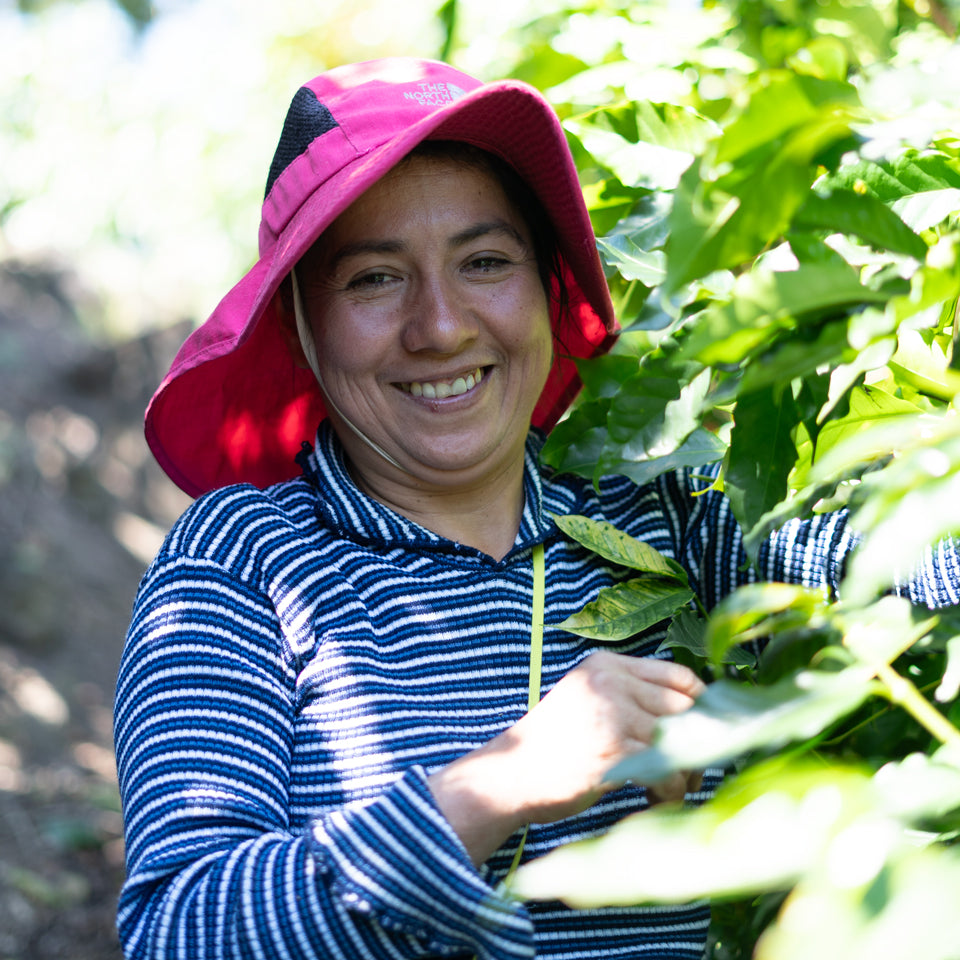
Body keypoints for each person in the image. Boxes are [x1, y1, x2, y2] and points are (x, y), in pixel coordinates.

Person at [113, 58, 956, 960]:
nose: (441, 326)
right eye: (373, 278)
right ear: (302, 326)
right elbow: (176, 930)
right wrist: (500, 785)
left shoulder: (653, 510)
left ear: (550, 290)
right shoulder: (243, 560)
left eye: (485, 262)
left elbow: (896, 560)